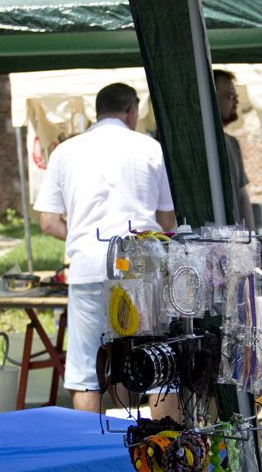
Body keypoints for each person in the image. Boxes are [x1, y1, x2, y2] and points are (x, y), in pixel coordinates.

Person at [34, 82, 177, 413]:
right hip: (140, 265)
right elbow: (167, 220)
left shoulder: (65, 151)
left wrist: (80, 236)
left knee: (86, 370)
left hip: (89, 265)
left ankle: (91, 453)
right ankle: (163, 450)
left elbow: (48, 222)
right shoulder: (150, 148)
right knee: (155, 363)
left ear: (97, 113)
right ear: (131, 111)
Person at [214, 69, 255, 230]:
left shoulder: (231, 143)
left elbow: (242, 194)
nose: (236, 102)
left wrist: (252, 241)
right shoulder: (194, 145)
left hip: (233, 241)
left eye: (236, 97)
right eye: (230, 96)